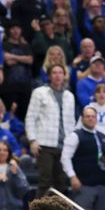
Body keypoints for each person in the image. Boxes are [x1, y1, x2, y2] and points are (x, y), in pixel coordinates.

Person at [60, 105, 105, 210]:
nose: (90, 119)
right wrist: (72, 176)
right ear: (82, 118)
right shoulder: (75, 135)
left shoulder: (103, 136)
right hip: (84, 184)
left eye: (93, 116)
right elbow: (65, 158)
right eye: (87, 116)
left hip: (101, 184)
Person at [25, 63, 76, 197]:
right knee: (45, 181)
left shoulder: (69, 96)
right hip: (45, 144)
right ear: (49, 76)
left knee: (61, 182)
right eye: (54, 73)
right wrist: (32, 140)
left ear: (64, 76)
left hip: (64, 145)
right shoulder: (39, 92)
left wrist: (72, 143)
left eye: (60, 72)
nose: (58, 75)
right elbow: (30, 117)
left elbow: (71, 121)